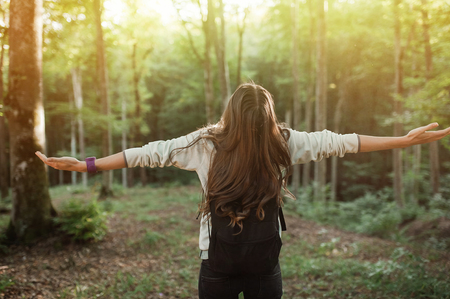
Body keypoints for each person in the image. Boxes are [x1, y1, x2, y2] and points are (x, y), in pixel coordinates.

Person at [36, 83, 450, 299]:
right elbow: (344, 141)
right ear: (268, 116)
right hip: (264, 263)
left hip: (216, 263)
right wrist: (402, 141)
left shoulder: (204, 143)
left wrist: (87, 164)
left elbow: (146, 154)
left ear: (230, 112)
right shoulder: (285, 142)